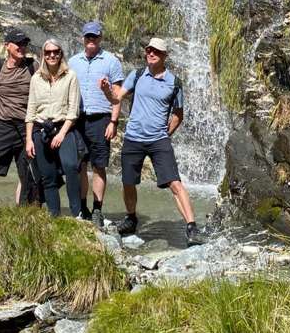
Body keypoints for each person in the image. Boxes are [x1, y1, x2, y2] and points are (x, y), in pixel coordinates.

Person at [100, 37, 204, 246]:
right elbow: (116, 98)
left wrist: (166, 133)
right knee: (128, 182)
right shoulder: (137, 75)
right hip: (133, 138)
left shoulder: (174, 82)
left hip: (159, 140)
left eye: (156, 51)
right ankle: (131, 218)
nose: (151, 53)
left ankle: (191, 227)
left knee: (175, 182)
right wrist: (106, 90)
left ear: (164, 56)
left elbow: (178, 114)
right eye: (148, 49)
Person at [68, 21, 123, 227]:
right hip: (78, 119)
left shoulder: (111, 62)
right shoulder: (73, 61)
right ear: (83, 38)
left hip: (101, 119)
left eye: (95, 37)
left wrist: (113, 122)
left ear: (100, 38)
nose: (91, 40)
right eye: (88, 37)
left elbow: (117, 95)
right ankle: (82, 207)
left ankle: (98, 209)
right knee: (80, 164)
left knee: (99, 166)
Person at [25, 38, 82, 216]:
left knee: (71, 167)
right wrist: (28, 140)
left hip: (64, 128)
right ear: (43, 55)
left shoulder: (70, 76)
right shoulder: (36, 78)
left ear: (61, 54)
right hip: (41, 130)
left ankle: (76, 214)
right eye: (48, 52)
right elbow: (31, 110)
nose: (52, 55)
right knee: (48, 176)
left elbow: (73, 110)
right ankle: (55, 216)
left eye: (55, 52)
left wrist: (62, 134)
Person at [0, 27, 39, 204]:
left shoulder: (33, 66)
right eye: (19, 44)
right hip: (4, 126)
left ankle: (21, 213)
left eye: (25, 44)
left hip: (27, 127)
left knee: (26, 174)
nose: (22, 47)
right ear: (7, 45)